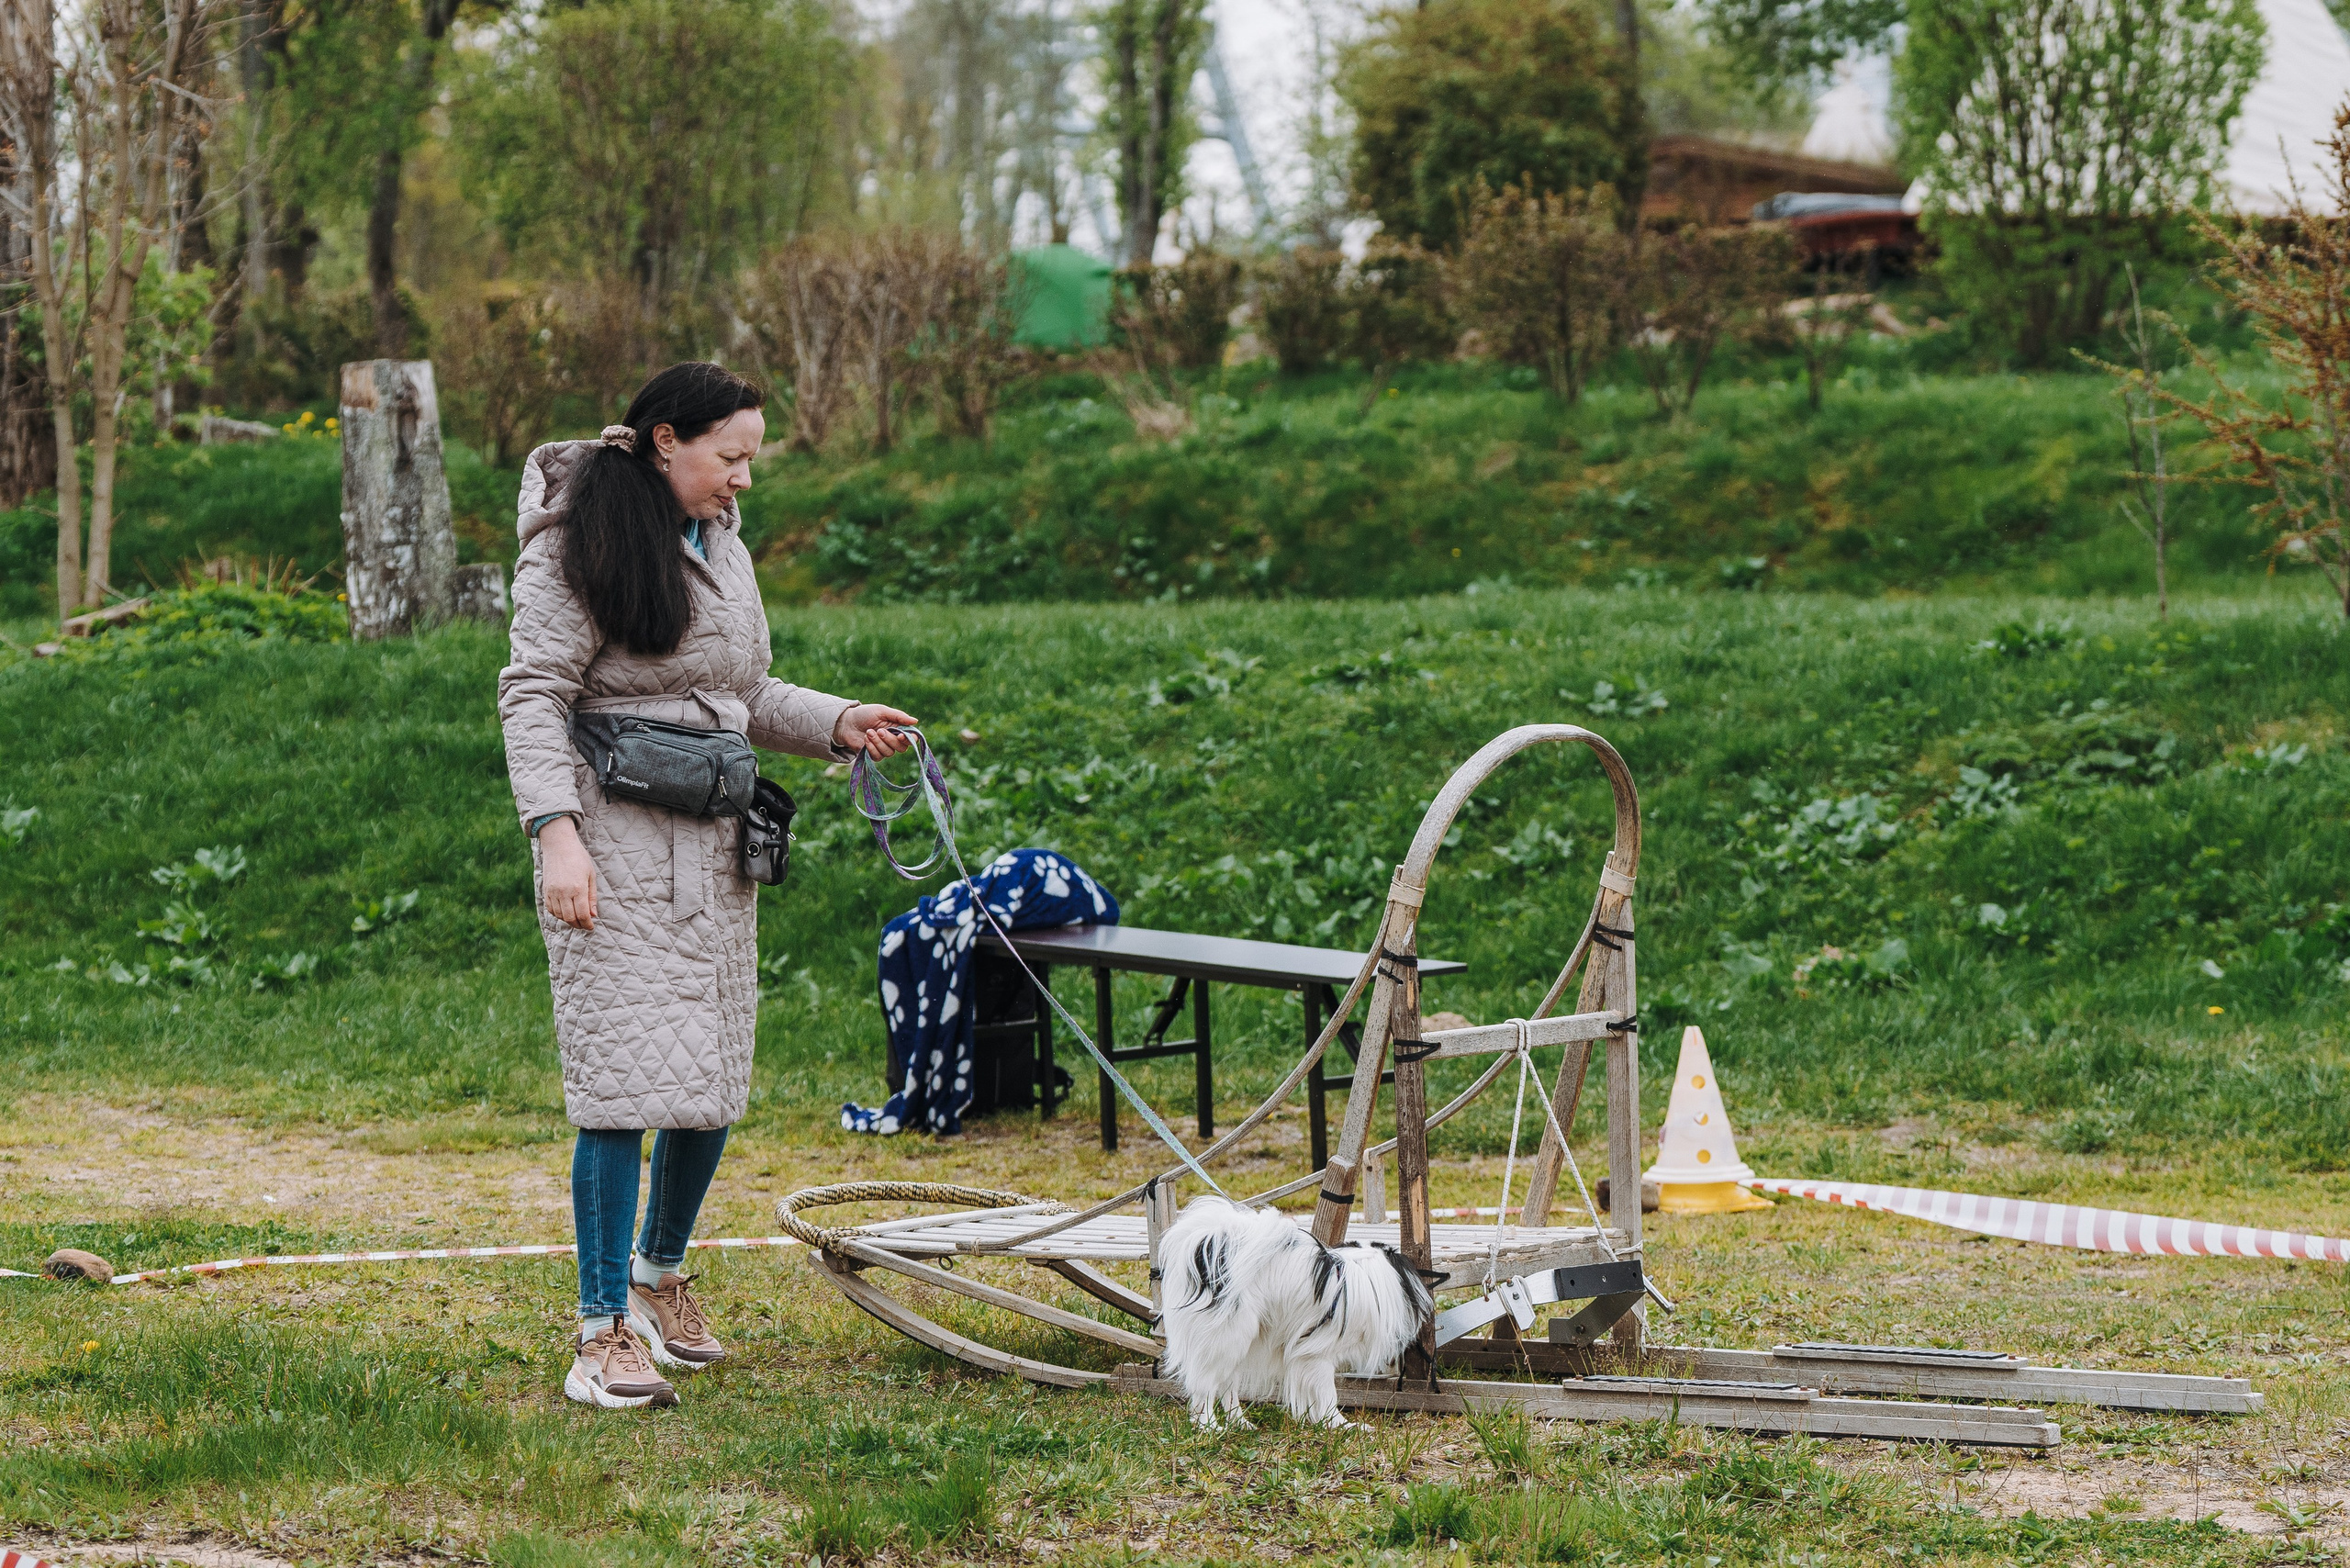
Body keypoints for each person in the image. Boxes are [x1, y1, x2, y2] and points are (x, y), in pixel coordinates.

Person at [498, 362, 914, 1410]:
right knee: (619, 1090)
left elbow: (740, 691)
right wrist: (557, 835)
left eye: (750, 460)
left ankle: (660, 1274)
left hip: (717, 853)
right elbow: (533, 693)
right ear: (665, 441)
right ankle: (599, 1335)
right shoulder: (575, 539)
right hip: (613, 848)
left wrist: (836, 721)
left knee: (709, 1079)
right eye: (730, 457)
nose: (742, 480)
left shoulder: (719, 539)